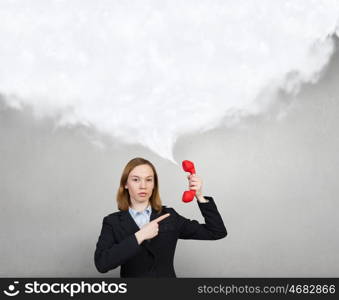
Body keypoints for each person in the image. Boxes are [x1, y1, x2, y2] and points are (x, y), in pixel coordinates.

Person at [94, 157, 227, 277]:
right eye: (136, 179)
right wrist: (139, 236)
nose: (143, 186)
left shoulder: (169, 216)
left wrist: (199, 195)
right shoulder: (112, 222)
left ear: (154, 185)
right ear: (125, 184)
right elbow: (102, 264)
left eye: (148, 180)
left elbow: (216, 231)